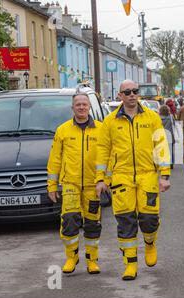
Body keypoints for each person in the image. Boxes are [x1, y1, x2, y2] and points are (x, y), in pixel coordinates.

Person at [95, 80, 171, 281]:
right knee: (126, 222)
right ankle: (130, 264)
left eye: (134, 91)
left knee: (149, 219)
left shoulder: (152, 118)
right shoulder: (110, 122)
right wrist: (100, 179)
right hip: (121, 178)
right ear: (120, 95)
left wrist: (164, 175)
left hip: (147, 176)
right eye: (127, 92)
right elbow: (102, 151)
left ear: (139, 94)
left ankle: (149, 243)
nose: (131, 95)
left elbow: (161, 146)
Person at [47, 92, 103, 275]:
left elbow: (108, 157)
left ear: (89, 107)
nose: (81, 107)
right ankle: (71, 257)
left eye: (84, 104)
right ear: (72, 107)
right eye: (77, 104)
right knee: (69, 221)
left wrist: (105, 181)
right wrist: (52, 186)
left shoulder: (101, 129)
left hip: (93, 186)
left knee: (92, 223)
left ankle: (92, 260)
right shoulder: (62, 130)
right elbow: (55, 159)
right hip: (70, 184)